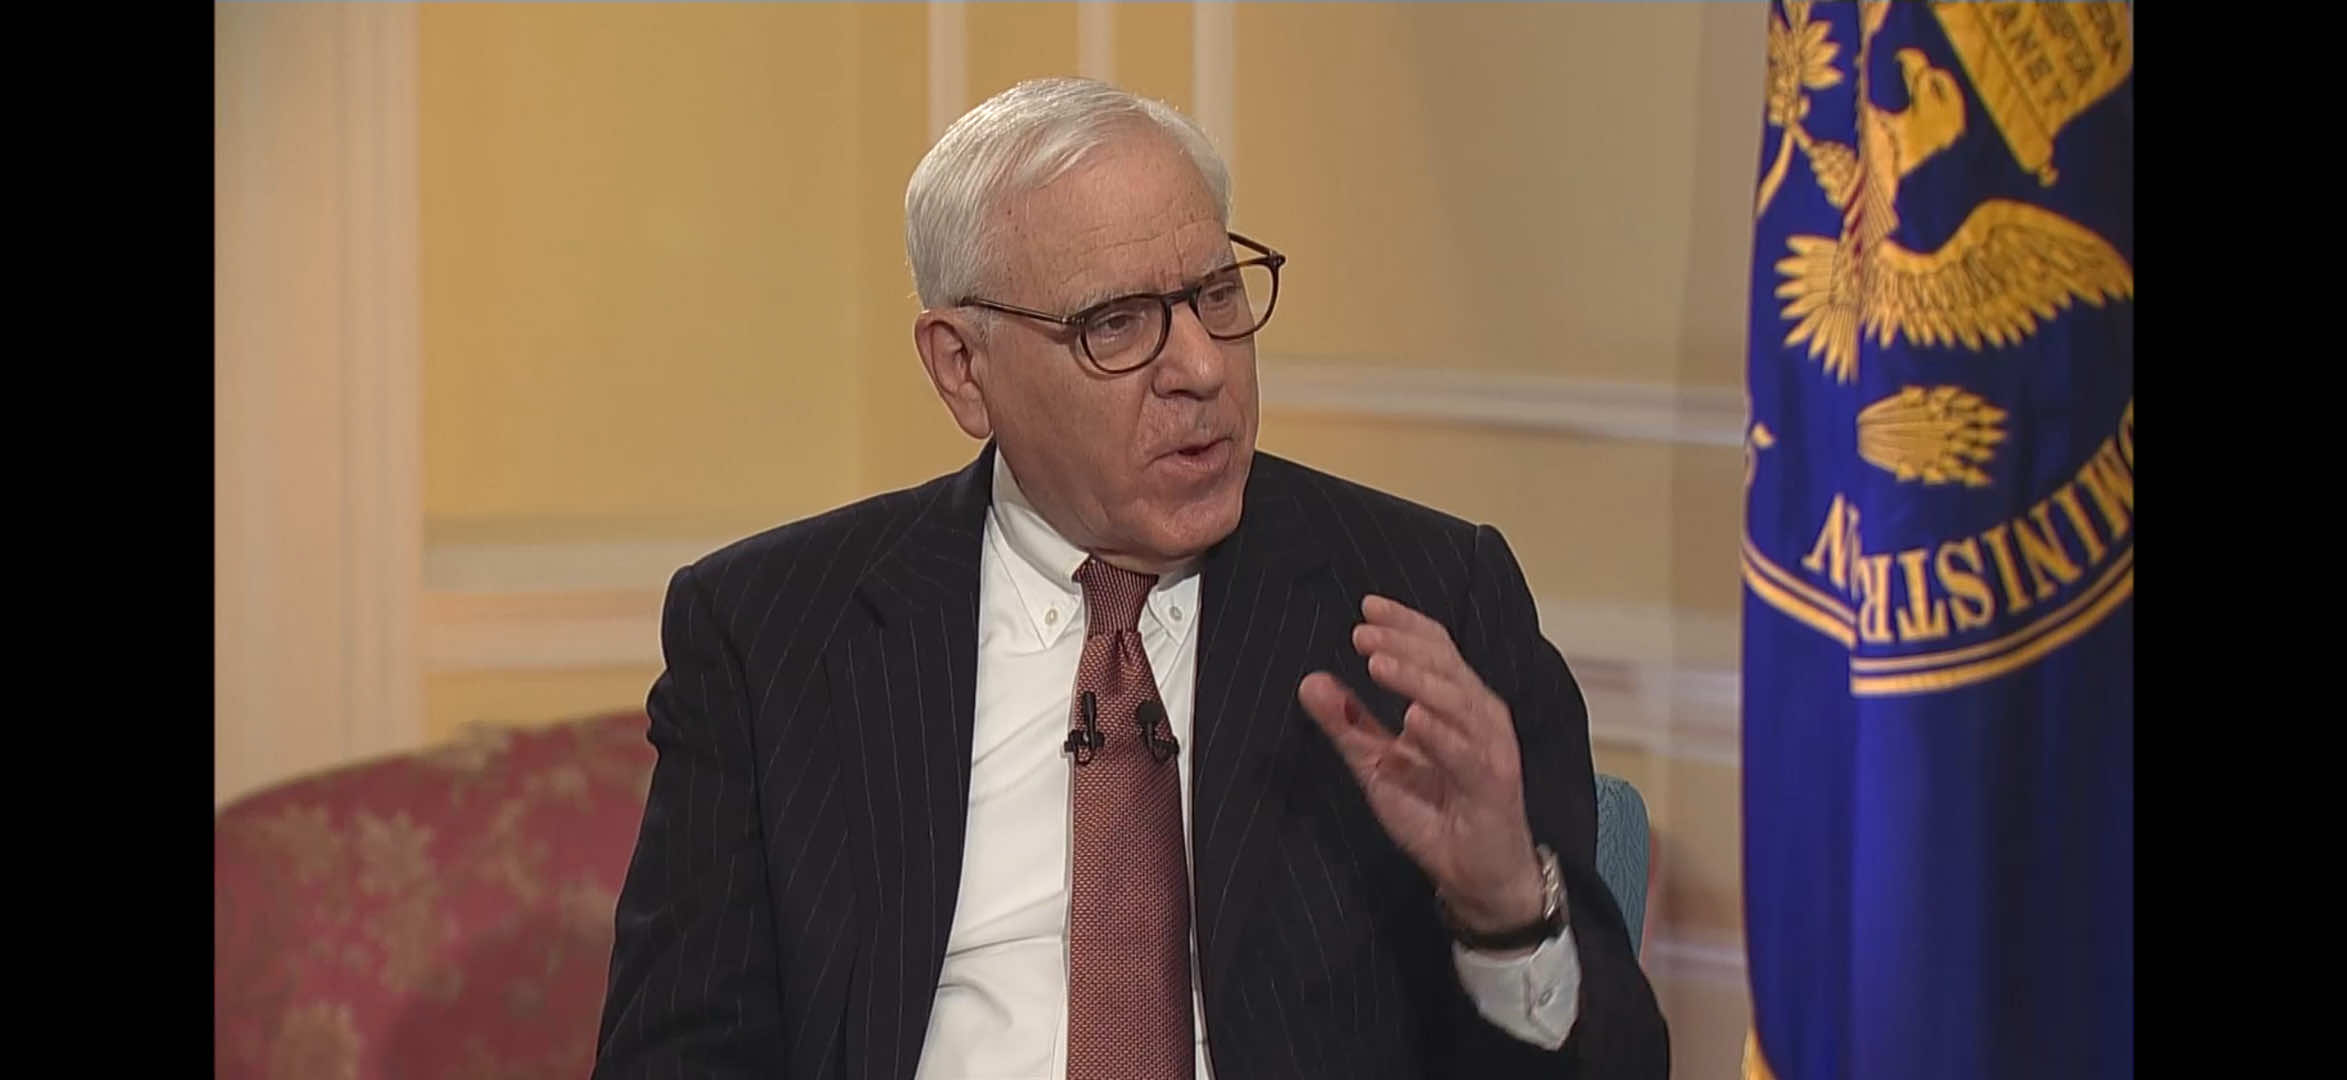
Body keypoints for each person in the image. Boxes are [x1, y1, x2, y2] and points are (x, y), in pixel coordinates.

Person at [594, 76, 1668, 1080]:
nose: (1200, 368)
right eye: (1114, 323)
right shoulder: (774, 635)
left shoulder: (1428, 597)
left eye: (1217, 295)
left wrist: (1505, 913)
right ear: (962, 368)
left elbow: (1615, 1063)